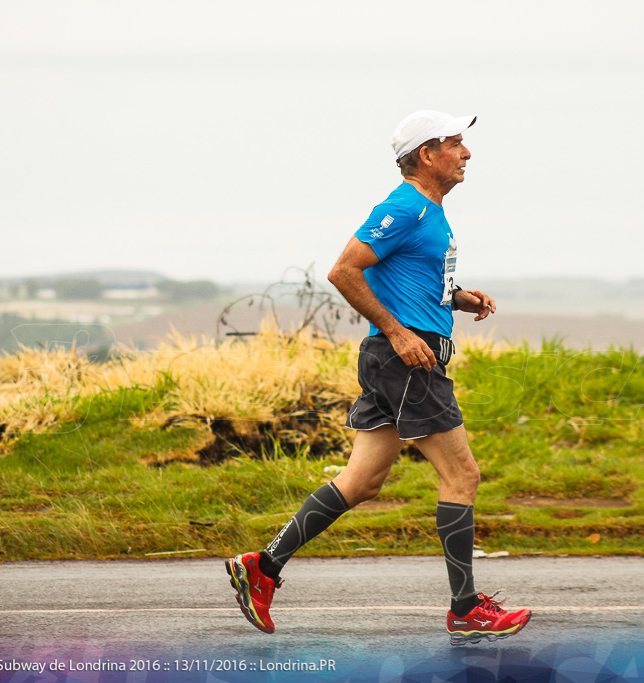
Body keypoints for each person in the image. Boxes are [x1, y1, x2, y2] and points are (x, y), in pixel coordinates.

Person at [225, 110, 531, 645]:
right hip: (407, 358)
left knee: (361, 481)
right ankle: (465, 609)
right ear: (426, 154)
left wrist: (457, 297)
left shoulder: (429, 212)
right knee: (463, 476)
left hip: (399, 354)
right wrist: (398, 333)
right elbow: (344, 269)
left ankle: (264, 567)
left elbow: (406, 277)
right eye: (456, 143)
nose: (466, 153)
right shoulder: (406, 205)